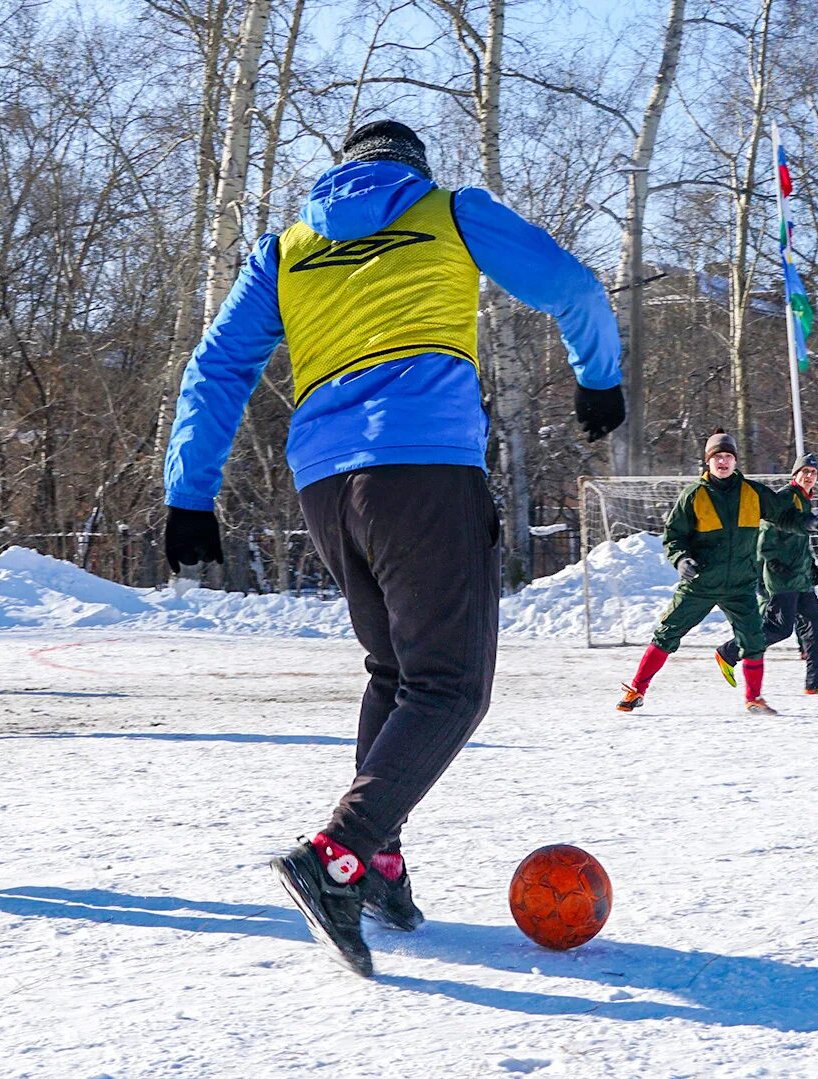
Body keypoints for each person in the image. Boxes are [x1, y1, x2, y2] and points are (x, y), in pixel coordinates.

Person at [161, 119, 624, 976]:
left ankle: (379, 863)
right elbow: (572, 287)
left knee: (397, 675)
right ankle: (336, 856)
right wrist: (600, 377)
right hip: (423, 466)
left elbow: (216, 366)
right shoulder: (450, 210)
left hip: (326, 483)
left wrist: (190, 493)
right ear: (414, 169)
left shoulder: (287, 246)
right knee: (450, 687)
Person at [617, 430, 818, 716]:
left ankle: (754, 698)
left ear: (735, 461)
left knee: (753, 641)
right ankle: (637, 690)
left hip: (740, 585)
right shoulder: (693, 495)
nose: (723, 461)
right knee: (668, 633)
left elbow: (783, 514)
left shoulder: (752, 492)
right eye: (717, 457)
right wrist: (681, 561)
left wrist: (808, 522)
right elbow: (673, 536)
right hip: (701, 582)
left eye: (728, 456)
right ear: (708, 462)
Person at [713, 453, 818, 695]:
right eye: (804, 471)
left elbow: (797, 540)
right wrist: (771, 561)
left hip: (799, 575)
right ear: (795, 474)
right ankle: (728, 652)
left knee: (816, 625)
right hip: (781, 577)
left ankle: (816, 682)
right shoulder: (785, 497)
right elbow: (767, 529)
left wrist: (810, 566)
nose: (809, 476)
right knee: (778, 629)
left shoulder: (804, 499)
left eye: (813, 473)